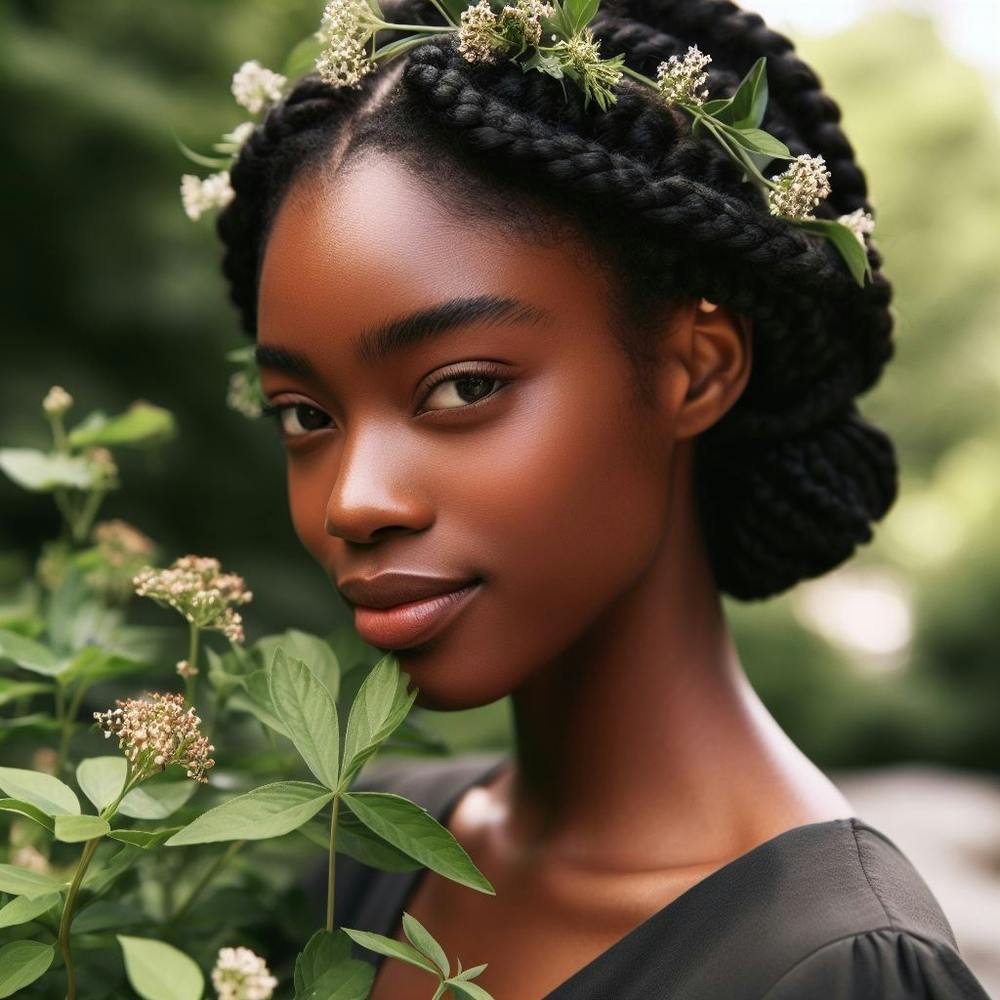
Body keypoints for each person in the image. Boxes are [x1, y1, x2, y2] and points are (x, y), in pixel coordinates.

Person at [213, 0, 993, 995]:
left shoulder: (833, 966)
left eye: (462, 388)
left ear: (695, 369)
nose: (354, 502)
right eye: (304, 415)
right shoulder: (345, 851)